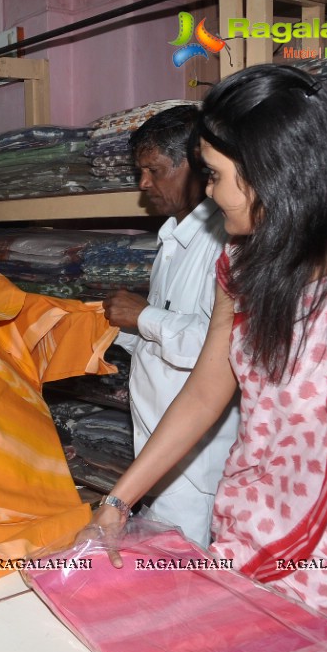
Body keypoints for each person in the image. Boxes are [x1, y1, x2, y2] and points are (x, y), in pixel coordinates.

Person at [89, 65, 327, 652]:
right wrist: (117, 503)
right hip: (243, 534)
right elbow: (204, 394)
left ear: (271, 173)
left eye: (215, 176)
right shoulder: (245, 265)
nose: (208, 193)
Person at [102, 105, 238, 548]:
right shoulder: (173, 237)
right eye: (140, 171)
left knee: (188, 582)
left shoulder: (224, 243)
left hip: (196, 464)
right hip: (160, 451)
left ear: (196, 168)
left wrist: (141, 315)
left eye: (154, 170)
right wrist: (109, 330)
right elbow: (162, 338)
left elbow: (218, 349)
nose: (144, 184)